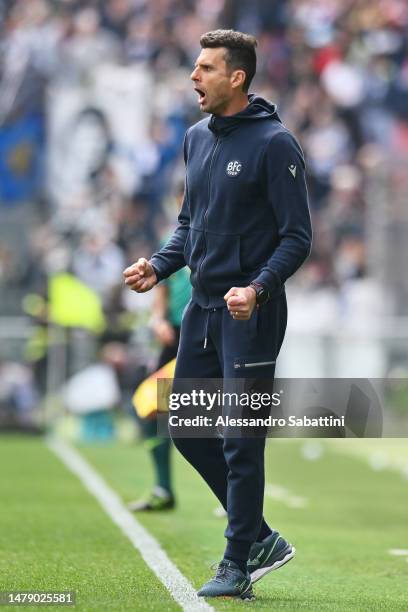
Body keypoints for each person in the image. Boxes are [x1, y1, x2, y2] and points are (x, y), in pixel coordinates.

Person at [124, 29, 312, 600]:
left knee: (240, 438)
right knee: (186, 428)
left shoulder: (276, 144)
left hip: (250, 314)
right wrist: (158, 266)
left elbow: (298, 237)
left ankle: (237, 562)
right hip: (201, 312)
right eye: (195, 66)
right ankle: (257, 536)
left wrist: (258, 287)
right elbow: (190, 226)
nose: (193, 76)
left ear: (237, 77)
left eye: (206, 68)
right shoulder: (196, 138)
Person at [128, 264, 191, 511]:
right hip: (176, 339)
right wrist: (158, 320)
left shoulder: (223, 232)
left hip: (212, 334)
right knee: (152, 407)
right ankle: (163, 488)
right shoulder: (173, 240)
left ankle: (237, 501)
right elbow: (161, 288)